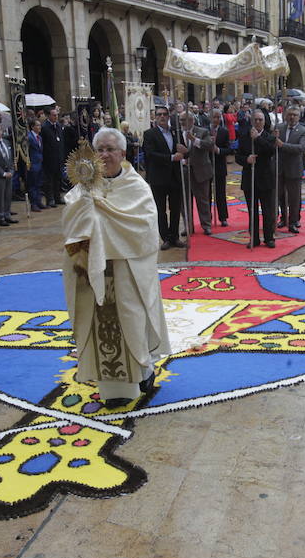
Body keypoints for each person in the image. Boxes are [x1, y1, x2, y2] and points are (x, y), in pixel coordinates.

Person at [62, 127, 170, 408]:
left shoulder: (137, 188)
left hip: (126, 272)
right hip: (93, 273)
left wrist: (103, 226)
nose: (105, 154)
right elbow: (71, 228)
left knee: (132, 324)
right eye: (100, 149)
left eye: (111, 149)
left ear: (123, 153)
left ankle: (143, 373)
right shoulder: (82, 189)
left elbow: (145, 230)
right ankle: (111, 389)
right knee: (100, 329)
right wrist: (87, 214)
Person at [142, 106, 185, 250]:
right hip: (158, 177)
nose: (162, 117)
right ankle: (165, 237)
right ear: (155, 117)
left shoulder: (175, 133)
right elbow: (150, 154)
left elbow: (184, 152)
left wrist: (185, 152)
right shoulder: (149, 134)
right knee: (161, 210)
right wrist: (172, 157)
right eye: (159, 114)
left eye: (164, 114)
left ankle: (175, 236)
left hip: (175, 176)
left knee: (175, 208)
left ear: (168, 116)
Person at [236, 109, 276, 248]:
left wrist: (257, 139)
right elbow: (237, 156)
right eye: (255, 120)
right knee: (252, 211)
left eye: (260, 120)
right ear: (251, 121)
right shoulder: (244, 136)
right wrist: (246, 159)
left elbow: (270, 150)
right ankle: (254, 238)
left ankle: (269, 237)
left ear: (264, 122)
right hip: (249, 178)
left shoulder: (269, 136)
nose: (258, 122)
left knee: (267, 211)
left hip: (265, 178)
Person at [275, 105, 305, 235]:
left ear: (298, 117)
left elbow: (300, 148)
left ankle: (294, 221)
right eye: (289, 114)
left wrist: (282, 145)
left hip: (294, 167)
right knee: (280, 195)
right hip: (279, 166)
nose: (291, 117)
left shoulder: (303, 130)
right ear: (285, 115)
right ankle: (283, 218)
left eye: (294, 115)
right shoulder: (279, 128)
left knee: (294, 197)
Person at [177, 111, 213, 235]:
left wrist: (195, 140)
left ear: (192, 120)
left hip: (200, 170)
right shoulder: (176, 133)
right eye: (180, 120)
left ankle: (206, 225)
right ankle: (188, 227)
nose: (182, 122)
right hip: (183, 170)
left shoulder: (203, 131)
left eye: (184, 120)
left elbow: (209, 145)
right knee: (184, 201)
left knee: (202, 200)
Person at [207, 109, 232, 227]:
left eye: (218, 117)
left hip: (220, 166)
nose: (216, 120)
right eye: (214, 117)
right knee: (206, 193)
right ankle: (207, 217)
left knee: (220, 193)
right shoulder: (204, 131)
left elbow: (229, 149)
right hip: (206, 165)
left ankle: (223, 217)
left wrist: (218, 150)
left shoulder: (224, 132)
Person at [41, 106, 66, 208]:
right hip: (49, 158)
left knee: (58, 179)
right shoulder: (45, 127)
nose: (56, 117)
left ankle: (57, 197)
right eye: (54, 115)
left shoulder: (59, 126)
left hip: (59, 157)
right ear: (48, 116)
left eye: (57, 115)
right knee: (49, 180)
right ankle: (50, 199)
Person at [27, 118, 45, 212]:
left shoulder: (40, 137)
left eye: (39, 125)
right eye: (37, 125)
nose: (39, 127)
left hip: (39, 163)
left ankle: (38, 201)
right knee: (33, 185)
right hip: (33, 164)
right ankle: (33, 203)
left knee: (39, 184)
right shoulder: (29, 137)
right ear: (32, 127)